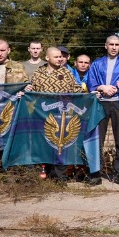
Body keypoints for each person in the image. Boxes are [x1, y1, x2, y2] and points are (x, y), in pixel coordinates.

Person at [25, 47, 85, 180]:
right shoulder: (38, 73)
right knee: (44, 145)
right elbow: (32, 94)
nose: (60, 59)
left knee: (61, 145)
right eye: (56, 57)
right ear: (47, 58)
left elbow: (76, 89)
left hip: (62, 117)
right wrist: (28, 90)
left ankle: (59, 176)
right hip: (42, 116)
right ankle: (43, 173)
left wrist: (88, 95)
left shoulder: (67, 73)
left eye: (61, 57)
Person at [85, 34, 119, 186]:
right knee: (97, 139)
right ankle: (95, 173)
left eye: (117, 45)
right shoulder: (97, 63)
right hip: (100, 104)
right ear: (106, 46)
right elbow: (90, 81)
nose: (114, 47)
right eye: (111, 44)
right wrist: (101, 87)